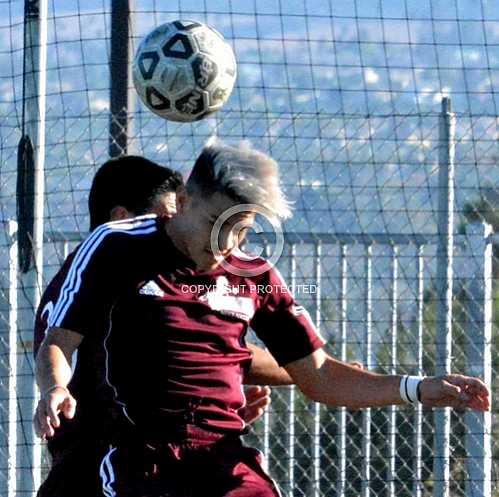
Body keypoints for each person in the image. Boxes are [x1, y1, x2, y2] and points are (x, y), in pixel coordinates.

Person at [35, 140, 490, 497]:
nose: (227, 241)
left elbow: (319, 375)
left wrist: (416, 388)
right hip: (142, 460)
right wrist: (56, 387)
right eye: (216, 221)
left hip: (224, 460)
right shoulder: (118, 246)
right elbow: (59, 341)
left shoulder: (254, 277)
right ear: (185, 200)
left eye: (242, 229)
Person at [33, 155, 292, 497]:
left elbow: (193, 350)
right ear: (123, 218)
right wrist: (308, 373)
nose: (175, 222)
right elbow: (214, 348)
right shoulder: (115, 272)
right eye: (166, 213)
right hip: (102, 460)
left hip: (111, 461)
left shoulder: (82, 275)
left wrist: (206, 406)